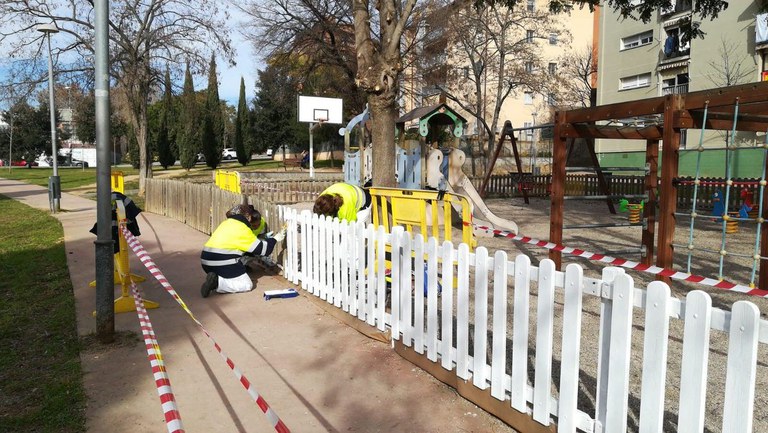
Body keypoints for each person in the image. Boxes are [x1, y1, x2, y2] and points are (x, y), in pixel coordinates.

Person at [200, 204, 285, 297]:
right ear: (248, 217)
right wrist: (275, 238)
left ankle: (216, 277)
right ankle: (217, 283)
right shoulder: (242, 228)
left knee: (238, 266)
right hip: (222, 263)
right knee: (246, 284)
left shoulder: (226, 223)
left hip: (206, 262)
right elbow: (263, 250)